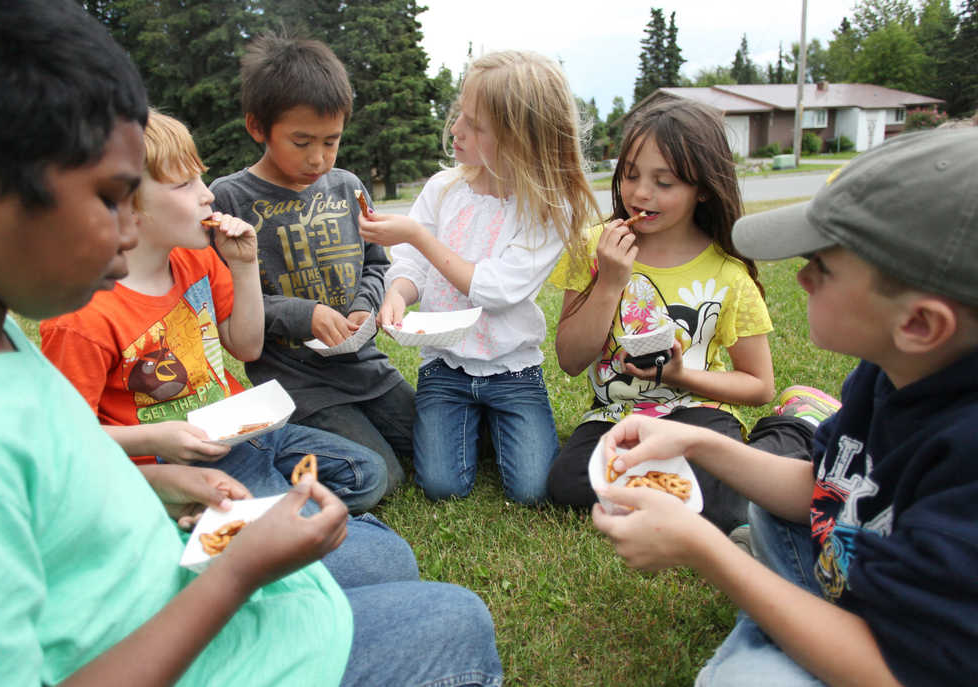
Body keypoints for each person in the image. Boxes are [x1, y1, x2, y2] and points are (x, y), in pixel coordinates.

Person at [0, 3, 504, 686]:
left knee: (388, 559)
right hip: (201, 629)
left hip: (184, 559)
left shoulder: (7, 346)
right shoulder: (35, 372)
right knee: (458, 621)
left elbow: (65, 467)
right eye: (111, 199)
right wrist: (238, 573)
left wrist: (167, 483)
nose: (127, 233)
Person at [593, 128, 978, 686]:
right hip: (869, 565)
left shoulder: (966, 458)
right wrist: (699, 442)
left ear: (920, 324)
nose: (801, 277)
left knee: (742, 680)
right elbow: (824, 491)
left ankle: (780, 632)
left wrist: (705, 551)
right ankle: (796, 615)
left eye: (822, 265)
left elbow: (893, 673)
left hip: (898, 656)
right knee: (768, 509)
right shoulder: (888, 371)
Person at [40, 109, 388, 515]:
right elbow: (66, 438)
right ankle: (225, 518)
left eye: (200, 179)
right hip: (171, 463)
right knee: (334, 535)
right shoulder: (80, 316)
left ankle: (252, 515)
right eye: (185, 184)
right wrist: (154, 438)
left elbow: (248, 347)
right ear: (125, 206)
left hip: (240, 433)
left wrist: (244, 266)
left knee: (367, 474)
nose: (207, 194)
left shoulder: (195, 259)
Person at [358, 50, 601, 504]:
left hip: (512, 369)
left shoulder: (547, 209)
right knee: (441, 486)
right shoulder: (444, 188)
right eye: (459, 116)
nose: (455, 130)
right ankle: (476, 426)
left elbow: (498, 289)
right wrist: (397, 293)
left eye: (474, 124)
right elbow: (411, 263)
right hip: (444, 367)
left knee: (532, 490)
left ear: (519, 140)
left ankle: (491, 424)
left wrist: (415, 234)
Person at [546, 99, 776, 534]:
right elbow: (571, 360)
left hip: (698, 409)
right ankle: (678, 489)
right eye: (630, 174)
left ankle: (782, 435)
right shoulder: (594, 248)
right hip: (616, 415)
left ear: (703, 189)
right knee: (567, 483)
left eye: (663, 182)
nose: (639, 194)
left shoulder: (728, 274)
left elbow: (759, 385)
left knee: (726, 508)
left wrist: (679, 376)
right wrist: (611, 281)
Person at [210, 35, 414, 497]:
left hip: (365, 368)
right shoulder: (231, 198)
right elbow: (228, 299)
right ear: (257, 127)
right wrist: (306, 314)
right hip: (298, 382)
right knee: (386, 476)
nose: (319, 158)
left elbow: (376, 264)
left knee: (438, 446)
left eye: (331, 141)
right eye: (301, 142)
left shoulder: (346, 186)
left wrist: (365, 305)